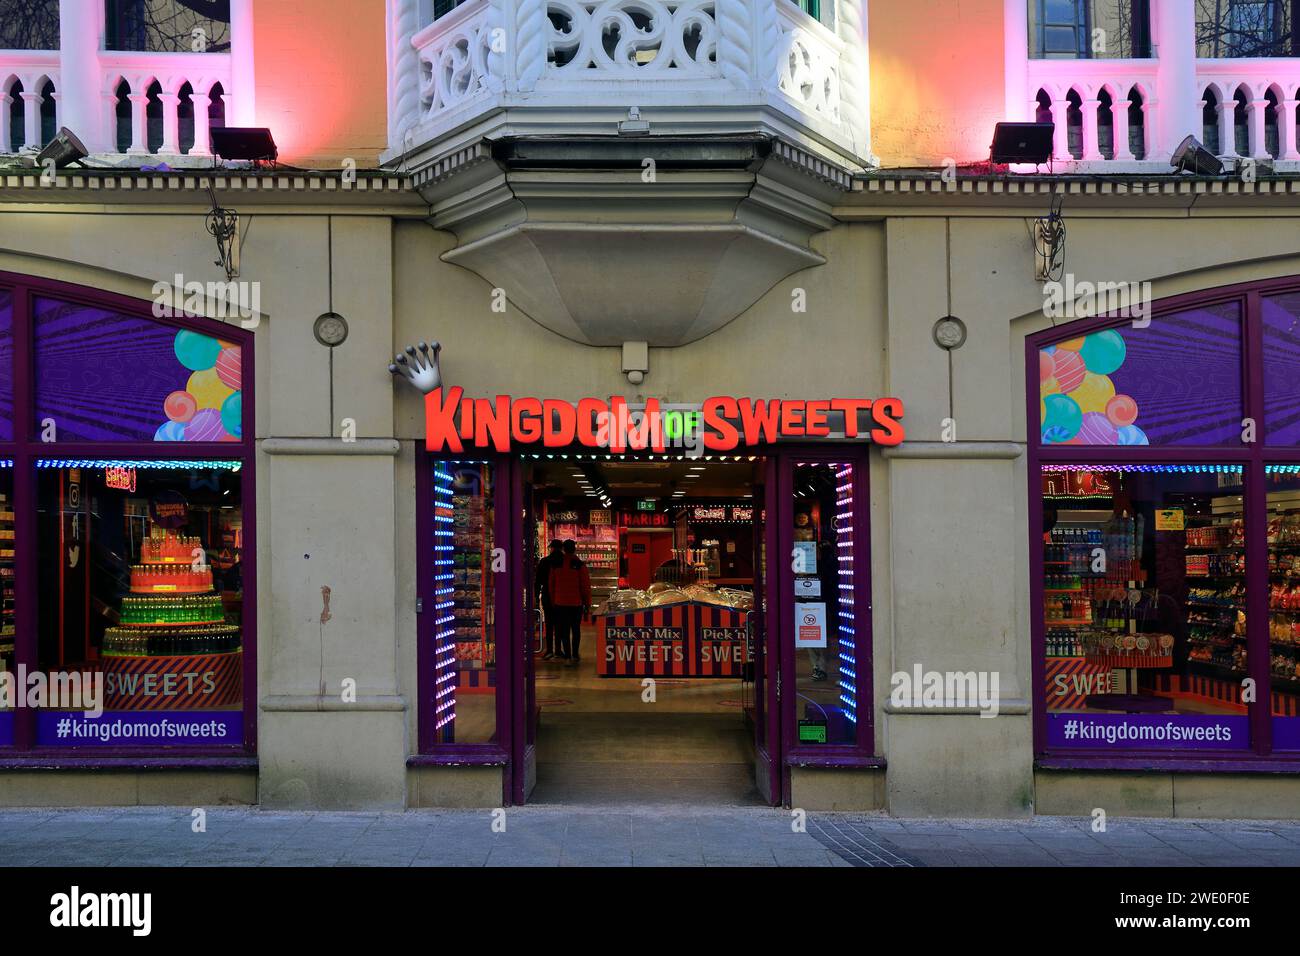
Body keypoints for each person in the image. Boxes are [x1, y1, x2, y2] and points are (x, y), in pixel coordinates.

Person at [548, 539, 591, 667]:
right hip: (576, 603)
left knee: (564, 630)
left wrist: (553, 600)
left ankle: (567, 656)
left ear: (563, 549)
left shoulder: (556, 564)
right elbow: (585, 586)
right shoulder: (579, 564)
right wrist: (587, 604)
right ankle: (575, 655)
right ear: (574, 549)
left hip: (560, 603)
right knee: (576, 629)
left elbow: (551, 585)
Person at [535, 540, 564, 660]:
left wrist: (536, 596)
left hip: (547, 595)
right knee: (560, 624)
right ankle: (558, 650)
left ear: (551, 548)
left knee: (549, 623)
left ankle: (550, 650)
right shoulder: (564, 561)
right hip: (561, 595)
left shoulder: (545, 561)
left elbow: (538, 581)